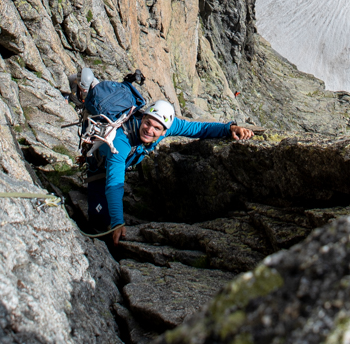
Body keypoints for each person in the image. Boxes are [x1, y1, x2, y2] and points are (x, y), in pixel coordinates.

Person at [87, 98, 252, 245]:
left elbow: (198, 129)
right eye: (147, 123)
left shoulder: (167, 124)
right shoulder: (121, 141)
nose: (150, 130)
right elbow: (114, 184)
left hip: (122, 166)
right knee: (99, 220)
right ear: (143, 117)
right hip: (100, 171)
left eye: (156, 128)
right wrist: (117, 222)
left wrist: (230, 128)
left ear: (165, 131)